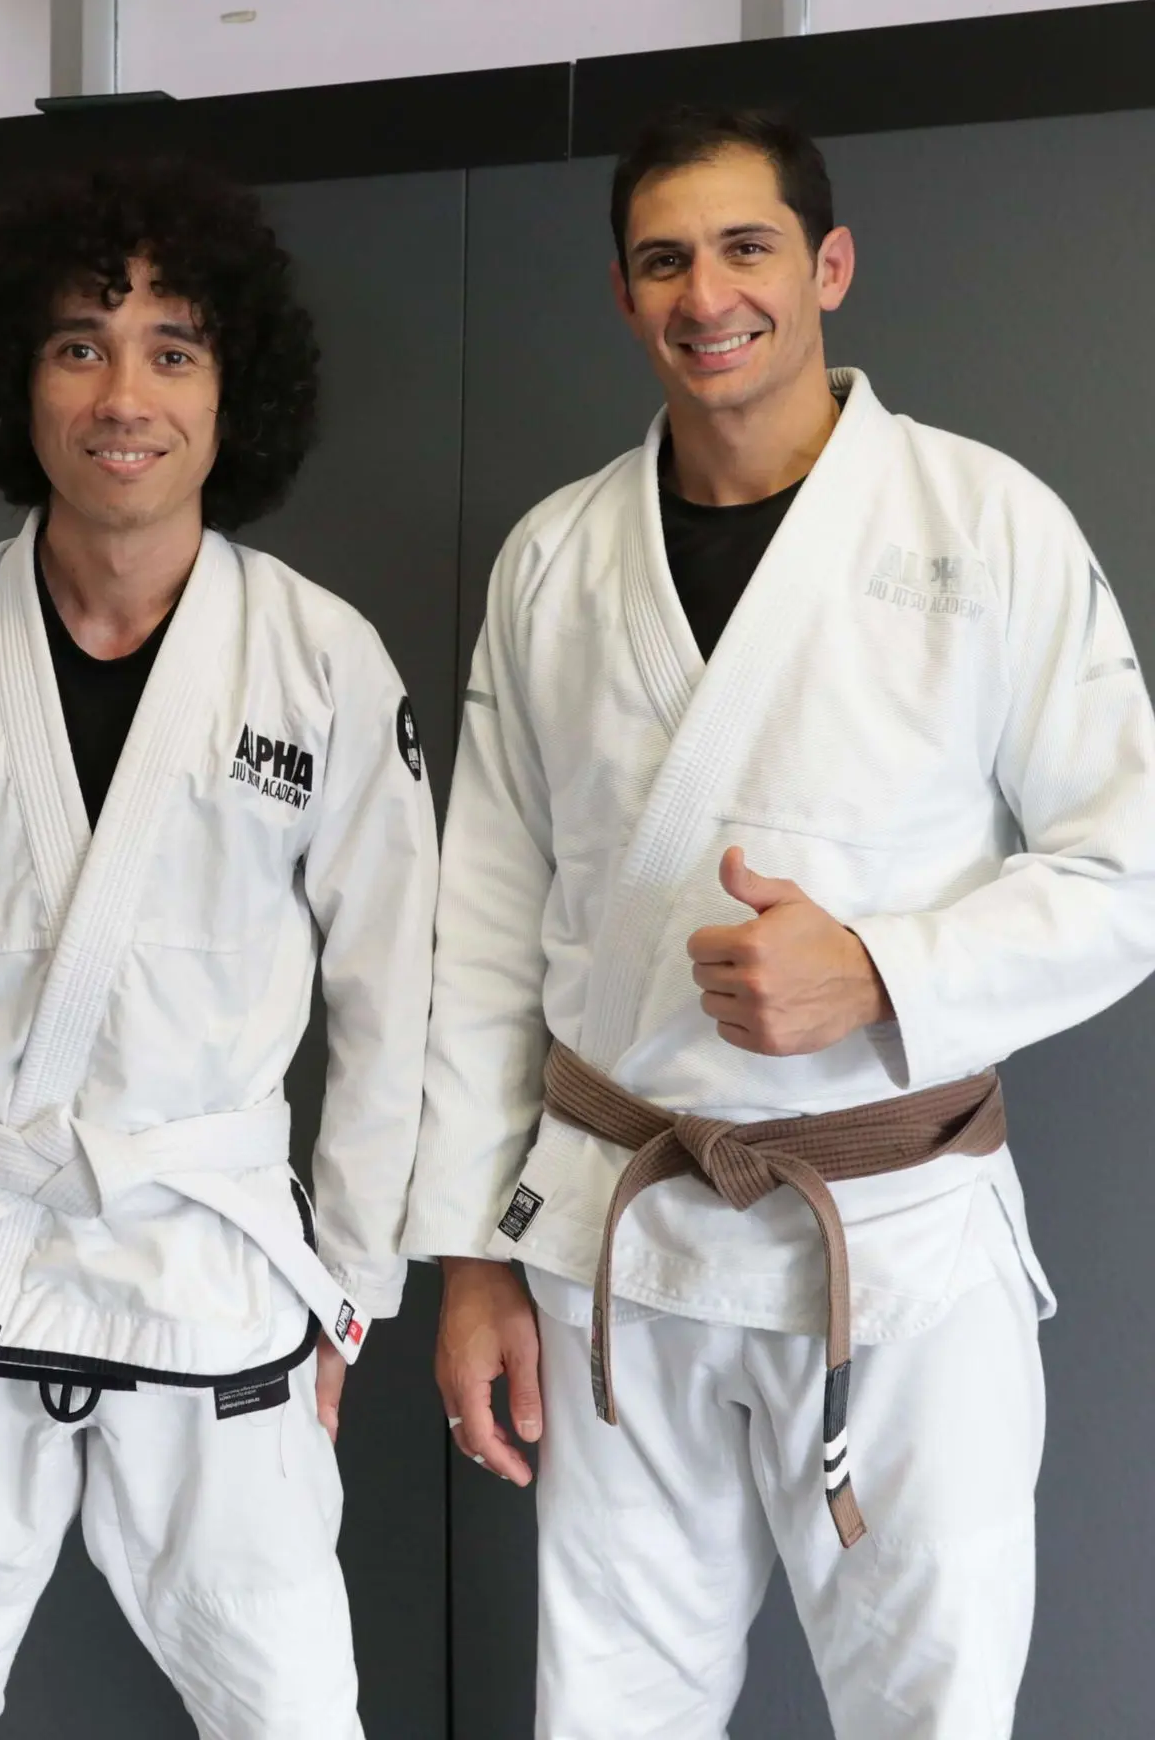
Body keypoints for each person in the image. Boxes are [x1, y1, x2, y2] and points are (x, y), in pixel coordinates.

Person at [404, 106, 1155, 1737]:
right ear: (623, 294)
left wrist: (885, 971)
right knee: (608, 1705)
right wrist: (471, 1258)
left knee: (933, 1708)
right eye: (664, 259)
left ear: (827, 267)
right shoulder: (555, 558)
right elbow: (478, 929)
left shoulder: (984, 524)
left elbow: (1129, 868)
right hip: (622, 1233)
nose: (707, 295)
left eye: (747, 248)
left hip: (890, 1235)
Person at [0, 160, 438, 1739]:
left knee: (290, 1708)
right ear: (22, 381)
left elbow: (392, 992)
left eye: (173, 348)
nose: (123, 392)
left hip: (211, 1257)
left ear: (232, 391)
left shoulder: (319, 654)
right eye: (80, 344)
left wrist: (348, 1291)